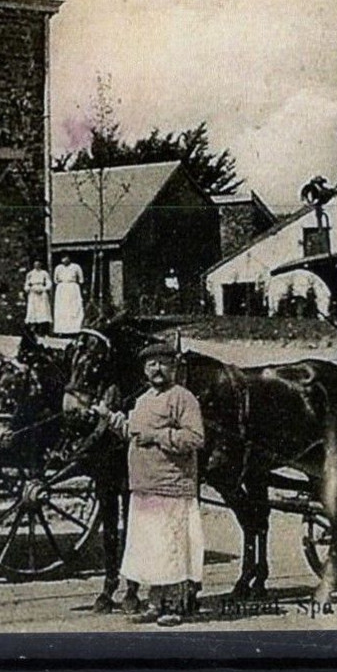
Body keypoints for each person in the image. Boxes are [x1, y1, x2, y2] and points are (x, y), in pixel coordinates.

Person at [102, 342, 205, 626]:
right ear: (144, 370)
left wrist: (157, 436)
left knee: (171, 547)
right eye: (151, 365)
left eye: (163, 363)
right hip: (143, 487)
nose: (157, 369)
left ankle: (174, 606)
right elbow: (133, 433)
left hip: (172, 486)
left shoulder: (183, 398)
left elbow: (195, 438)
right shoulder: (143, 399)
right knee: (149, 549)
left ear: (174, 367)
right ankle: (155, 603)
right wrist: (109, 418)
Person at [53, 254, 85, 335]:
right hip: (62, 289)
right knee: (62, 309)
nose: (64, 260)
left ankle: (75, 329)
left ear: (69, 258)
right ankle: (61, 330)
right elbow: (55, 280)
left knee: (74, 308)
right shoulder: (58, 268)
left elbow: (81, 280)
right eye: (63, 258)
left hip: (73, 289)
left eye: (66, 257)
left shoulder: (76, 267)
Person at [23, 259, 53, 333]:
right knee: (33, 310)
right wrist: (29, 289)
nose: (37, 265)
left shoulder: (44, 273)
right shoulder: (30, 274)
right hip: (33, 294)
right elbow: (26, 284)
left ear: (40, 264)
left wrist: (44, 289)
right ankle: (34, 329)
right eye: (35, 264)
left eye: (38, 264)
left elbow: (49, 283)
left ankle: (43, 330)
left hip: (42, 293)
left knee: (43, 310)